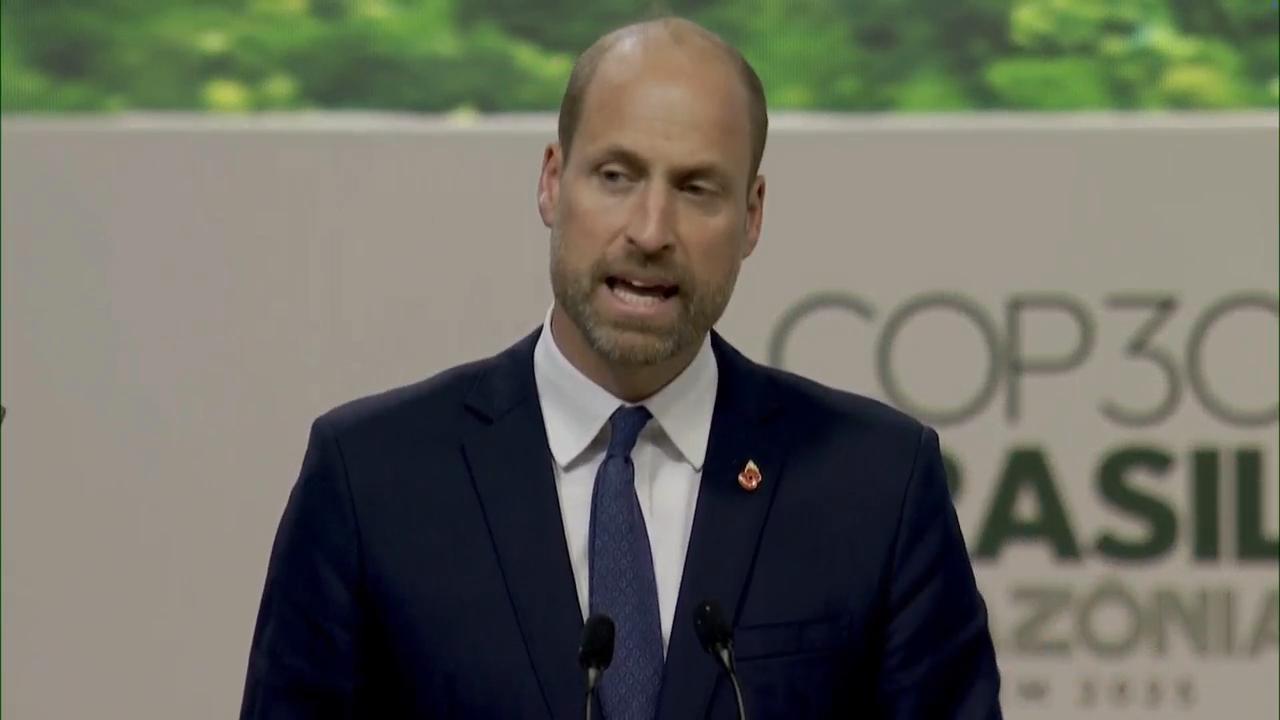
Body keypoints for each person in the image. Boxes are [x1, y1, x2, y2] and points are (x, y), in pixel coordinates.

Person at [240, 16, 1002, 719]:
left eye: (697, 188)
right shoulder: (371, 478)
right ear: (550, 181)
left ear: (753, 216)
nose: (650, 230)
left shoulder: (876, 485)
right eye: (616, 176)